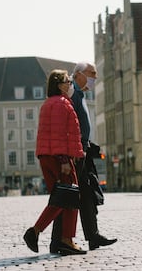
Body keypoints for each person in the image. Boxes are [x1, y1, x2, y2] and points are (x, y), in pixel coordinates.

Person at [50, 62, 117, 253]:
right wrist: (69, 153)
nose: (94, 78)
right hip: (75, 152)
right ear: (79, 74)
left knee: (87, 194)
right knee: (67, 195)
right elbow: (66, 124)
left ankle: (93, 235)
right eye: (91, 74)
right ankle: (57, 241)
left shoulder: (79, 92)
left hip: (83, 151)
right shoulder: (71, 91)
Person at [23, 69, 86, 255]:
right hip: (59, 158)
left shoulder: (48, 104)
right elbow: (60, 135)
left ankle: (62, 239)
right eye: (68, 81)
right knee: (71, 197)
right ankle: (39, 233)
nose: (70, 84)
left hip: (47, 157)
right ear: (59, 84)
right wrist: (65, 159)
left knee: (60, 199)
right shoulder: (61, 104)